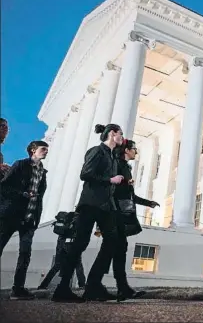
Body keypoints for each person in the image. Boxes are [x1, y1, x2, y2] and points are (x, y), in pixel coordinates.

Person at [52, 123, 125, 303]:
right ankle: (62, 289)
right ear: (112, 133)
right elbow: (85, 174)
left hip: (106, 206)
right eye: (120, 134)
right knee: (80, 243)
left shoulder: (113, 156)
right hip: (90, 204)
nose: (122, 138)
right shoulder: (96, 151)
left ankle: (93, 285)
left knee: (113, 241)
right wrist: (110, 179)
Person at [94, 139, 159, 301]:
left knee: (119, 249)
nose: (136, 152)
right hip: (114, 214)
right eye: (134, 149)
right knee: (109, 250)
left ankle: (122, 288)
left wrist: (148, 203)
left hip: (122, 214)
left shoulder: (126, 167)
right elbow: (111, 190)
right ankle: (94, 285)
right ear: (126, 150)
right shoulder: (117, 165)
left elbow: (129, 195)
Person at [0, 140, 49, 300]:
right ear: (33, 150)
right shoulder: (20, 165)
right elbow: (4, 186)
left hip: (30, 219)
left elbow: (40, 198)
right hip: (12, 216)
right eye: (43, 149)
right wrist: (22, 194)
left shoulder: (43, 171)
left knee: (25, 253)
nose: (46, 152)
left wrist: (36, 218)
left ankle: (18, 288)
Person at [38, 224, 86, 290]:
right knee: (78, 265)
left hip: (61, 243)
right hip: (71, 242)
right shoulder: (79, 219)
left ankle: (43, 285)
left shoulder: (68, 218)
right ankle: (82, 285)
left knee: (57, 265)